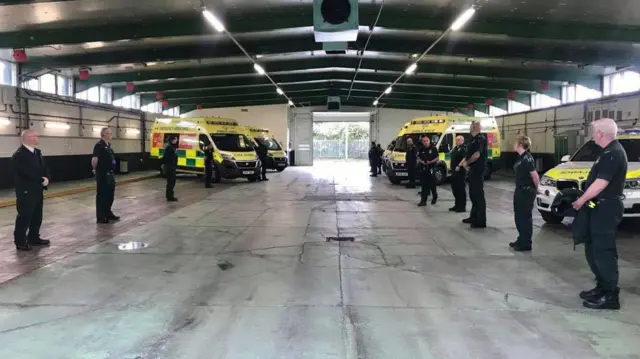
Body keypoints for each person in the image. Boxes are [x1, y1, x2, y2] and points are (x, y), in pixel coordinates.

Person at [572, 118, 627, 310]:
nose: (593, 135)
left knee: (603, 252)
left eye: (594, 132)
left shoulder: (614, 154)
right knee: (593, 248)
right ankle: (601, 287)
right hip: (597, 207)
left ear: (601, 134)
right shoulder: (606, 153)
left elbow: (600, 184)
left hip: (606, 209)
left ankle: (611, 296)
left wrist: (581, 200)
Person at [12, 130, 50, 251]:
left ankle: (33, 237)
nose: (37, 137)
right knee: (25, 216)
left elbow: (44, 168)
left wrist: (47, 178)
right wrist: (40, 179)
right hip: (26, 191)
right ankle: (20, 241)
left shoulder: (37, 152)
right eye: (35, 136)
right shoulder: (20, 155)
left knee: (37, 215)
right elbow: (25, 173)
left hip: (37, 189)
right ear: (28, 138)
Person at [510, 136, 540, 252]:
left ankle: (526, 242)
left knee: (524, 217)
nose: (514, 144)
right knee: (518, 216)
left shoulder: (527, 158)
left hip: (526, 191)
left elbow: (535, 175)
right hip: (520, 189)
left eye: (516, 143)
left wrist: (537, 189)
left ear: (521, 145)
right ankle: (521, 238)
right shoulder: (520, 157)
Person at [457, 121, 487, 228]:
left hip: (477, 170)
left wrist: (467, 162)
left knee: (478, 195)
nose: (470, 127)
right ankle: (473, 216)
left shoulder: (480, 139)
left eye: (471, 126)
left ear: (475, 127)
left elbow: (477, 155)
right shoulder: (472, 140)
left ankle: (481, 220)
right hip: (471, 170)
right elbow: (467, 155)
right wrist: (463, 164)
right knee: (473, 194)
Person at [92, 127, 120, 224]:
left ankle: (108, 212)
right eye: (108, 133)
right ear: (103, 134)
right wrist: (95, 170)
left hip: (110, 174)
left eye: (111, 133)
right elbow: (94, 159)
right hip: (103, 174)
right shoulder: (99, 146)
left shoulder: (108, 146)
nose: (110, 135)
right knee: (102, 195)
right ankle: (101, 216)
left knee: (110, 195)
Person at [417, 136, 439, 207]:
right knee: (424, 186)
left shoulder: (433, 148)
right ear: (422, 142)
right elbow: (418, 157)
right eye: (424, 141)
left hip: (431, 168)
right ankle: (423, 201)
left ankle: (435, 196)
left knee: (432, 185)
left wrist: (430, 162)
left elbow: (437, 158)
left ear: (429, 141)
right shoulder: (421, 149)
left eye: (427, 141)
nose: (425, 142)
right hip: (424, 169)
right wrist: (422, 162)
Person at [449, 135, 467, 212]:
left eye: (458, 140)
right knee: (455, 189)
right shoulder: (455, 148)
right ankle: (457, 205)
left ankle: (462, 207)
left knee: (460, 189)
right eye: (456, 139)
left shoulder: (463, 148)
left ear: (462, 140)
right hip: (454, 171)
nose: (457, 141)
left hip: (460, 171)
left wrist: (459, 165)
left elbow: (465, 157)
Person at [162, 136, 178, 202]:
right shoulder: (170, 148)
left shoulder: (171, 148)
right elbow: (167, 158)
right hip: (170, 167)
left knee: (171, 182)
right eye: (175, 139)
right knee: (171, 182)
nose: (176, 140)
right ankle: (169, 197)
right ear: (172, 140)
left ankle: (170, 196)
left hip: (171, 166)